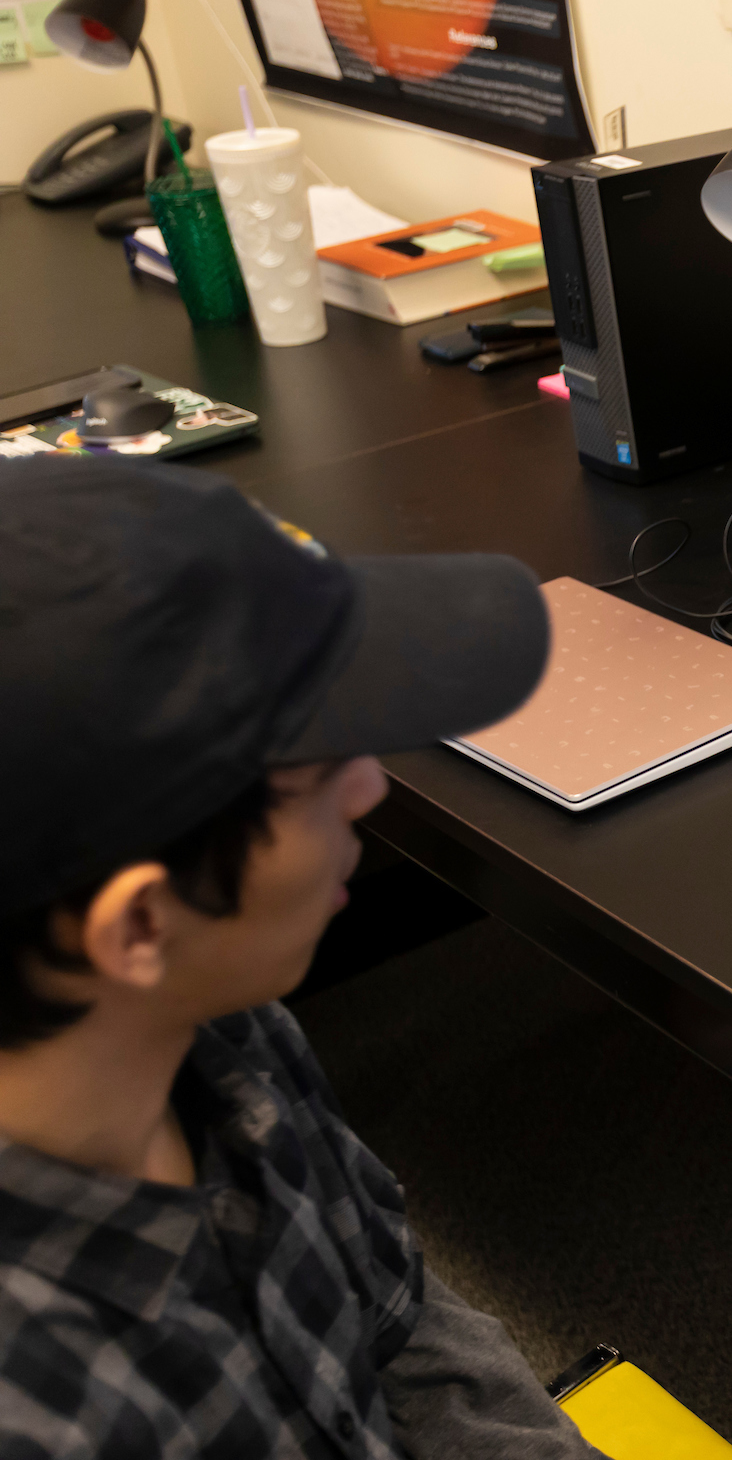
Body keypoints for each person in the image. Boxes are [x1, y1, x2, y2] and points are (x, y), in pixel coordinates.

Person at [0, 457, 593, 1457]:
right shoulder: (46, 1411)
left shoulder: (224, 1029)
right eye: (320, 770)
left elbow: (403, 1328)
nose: (370, 789)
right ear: (138, 926)